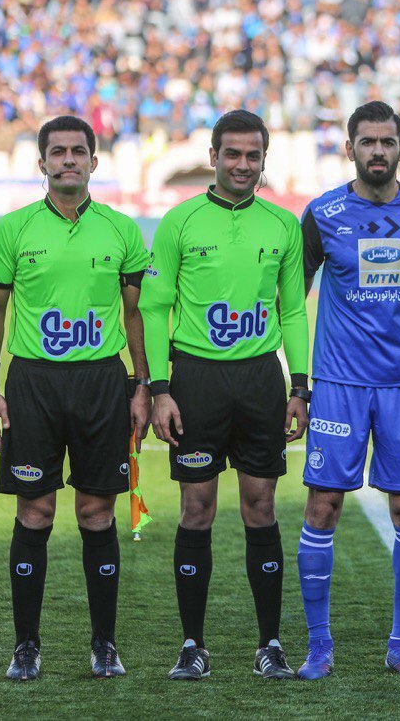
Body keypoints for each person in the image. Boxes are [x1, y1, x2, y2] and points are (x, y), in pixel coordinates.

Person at [0, 115, 150, 681]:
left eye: (79, 151)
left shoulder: (122, 230)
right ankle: (26, 645)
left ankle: (104, 644)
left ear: (94, 162)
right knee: (35, 511)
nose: (69, 159)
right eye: (58, 152)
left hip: (102, 383)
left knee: (96, 513)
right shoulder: (14, 228)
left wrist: (143, 383)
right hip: (34, 384)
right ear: (42, 163)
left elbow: (135, 315)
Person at [141, 109, 309, 681]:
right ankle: (192, 645)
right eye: (232, 154)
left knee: (261, 506)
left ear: (264, 160)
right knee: (197, 509)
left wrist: (299, 386)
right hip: (196, 381)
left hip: (260, 381)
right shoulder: (179, 222)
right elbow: (155, 307)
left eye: (252, 155)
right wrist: (160, 389)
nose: (242, 164)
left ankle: (270, 644)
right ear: (212, 157)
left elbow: (292, 310)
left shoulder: (282, 224)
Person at [294, 101, 400, 679]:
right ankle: (319, 645)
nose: (378, 151)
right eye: (368, 141)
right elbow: (292, 301)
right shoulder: (322, 215)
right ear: (350, 148)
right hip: (338, 384)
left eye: (387, 142)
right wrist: (298, 384)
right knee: (323, 505)